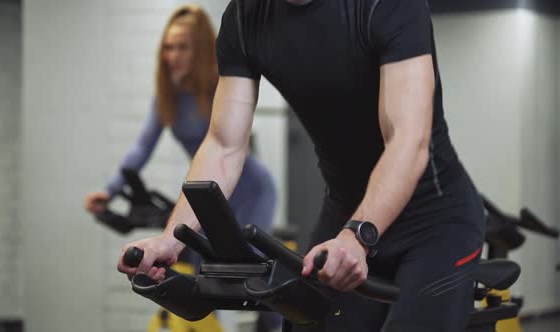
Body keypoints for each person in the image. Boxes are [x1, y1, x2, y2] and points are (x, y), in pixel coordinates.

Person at [117, 1, 486, 331]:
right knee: (305, 322)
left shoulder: (384, 6)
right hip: (343, 216)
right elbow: (224, 144)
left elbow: (408, 140)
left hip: (436, 224)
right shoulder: (246, 17)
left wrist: (357, 235)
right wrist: (172, 238)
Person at [84, 5, 278, 330]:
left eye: (182, 46)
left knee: (254, 277)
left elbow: (230, 146)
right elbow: (141, 147)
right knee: (202, 278)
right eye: (168, 47)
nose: (173, 55)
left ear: (200, 49)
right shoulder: (168, 96)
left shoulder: (220, 88)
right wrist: (110, 190)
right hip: (207, 194)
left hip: (251, 188)